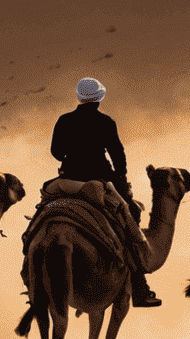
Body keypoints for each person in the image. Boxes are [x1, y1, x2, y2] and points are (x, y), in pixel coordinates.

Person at [48, 77, 162, 307]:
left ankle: (31, 280)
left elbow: (56, 152)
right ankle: (139, 286)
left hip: (68, 180)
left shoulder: (64, 120)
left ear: (79, 98)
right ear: (99, 99)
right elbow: (118, 155)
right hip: (98, 180)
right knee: (130, 214)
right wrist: (121, 178)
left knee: (44, 212)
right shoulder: (106, 122)